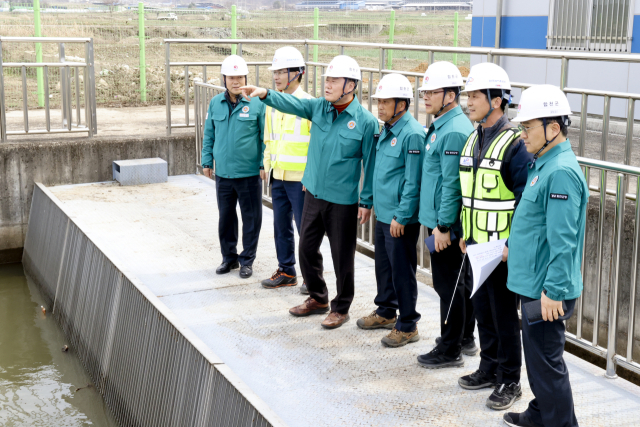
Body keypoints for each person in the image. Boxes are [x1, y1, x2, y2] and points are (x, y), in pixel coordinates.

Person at [240, 55, 378, 329]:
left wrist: (366, 201)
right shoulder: (319, 108)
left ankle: (341, 307)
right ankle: (318, 298)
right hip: (312, 192)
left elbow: (370, 165)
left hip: (342, 200)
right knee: (306, 248)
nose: (327, 85)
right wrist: (266, 94)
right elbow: (292, 103)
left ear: (350, 85)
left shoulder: (365, 122)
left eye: (334, 80)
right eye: (327, 80)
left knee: (342, 258)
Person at [503, 84, 587, 427]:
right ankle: (540, 414)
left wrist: (553, 291)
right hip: (534, 282)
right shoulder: (544, 163)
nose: (522, 135)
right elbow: (535, 221)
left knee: (548, 368)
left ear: (553, 128)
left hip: (546, 289)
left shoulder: (560, 172)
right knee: (538, 364)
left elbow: (563, 241)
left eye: (527, 128)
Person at [457, 62, 533, 411]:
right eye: (467, 95)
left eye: (474, 95)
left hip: (500, 250)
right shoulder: (474, 138)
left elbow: (524, 200)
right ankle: (488, 368)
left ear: (497, 100)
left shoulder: (514, 145)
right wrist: (464, 232)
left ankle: (510, 379)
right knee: (481, 310)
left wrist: (510, 244)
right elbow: (469, 192)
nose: (467, 102)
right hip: (475, 244)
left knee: (504, 316)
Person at [414, 61, 477, 369]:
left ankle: (449, 348)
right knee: (459, 282)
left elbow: (452, 184)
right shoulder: (445, 125)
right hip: (443, 220)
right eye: (424, 91)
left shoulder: (452, 131)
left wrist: (442, 227)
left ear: (451, 95)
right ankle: (463, 338)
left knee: (448, 285)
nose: (425, 97)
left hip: (446, 224)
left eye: (432, 92)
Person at [356, 73, 425, 347]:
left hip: (399, 218)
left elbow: (413, 181)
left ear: (402, 104)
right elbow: (379, 172)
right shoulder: (386, 129)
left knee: (402, 271)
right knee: (384, 267)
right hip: (384, 214)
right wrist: (370, 202)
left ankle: (408, 324)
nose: (379, 106)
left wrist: (402, 215)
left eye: (386, 102)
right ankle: (386, 310)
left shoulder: (412, 134)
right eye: (378, 101)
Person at [201, 55, 266, 279]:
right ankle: (229, 258)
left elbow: (264, 136)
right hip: (224, 173)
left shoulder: (257, 103)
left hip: (248, 173)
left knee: (251, 218)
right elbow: (209, 134)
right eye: (231, 77)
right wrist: (207, 160)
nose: (236, 82)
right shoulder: (215, 103)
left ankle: (247, 260)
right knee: (226, 218)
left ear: (246, 78)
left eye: (239, 77)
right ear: (224, 79)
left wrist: (262, 163)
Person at [260, 47, 314, 292]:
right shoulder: (272, 105)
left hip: (300, 180)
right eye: (275, 72)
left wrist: (310, 177)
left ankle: (311, 277)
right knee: (281, 227)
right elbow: (269, 139)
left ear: (298, 73)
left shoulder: (309, 104)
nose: (277, 76)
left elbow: (316, 147)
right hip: (278, 176)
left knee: (306, 231)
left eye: (282, 71)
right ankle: (286, 271)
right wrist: (267, 166)